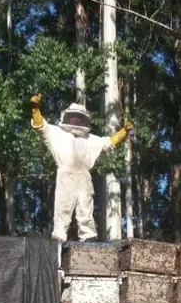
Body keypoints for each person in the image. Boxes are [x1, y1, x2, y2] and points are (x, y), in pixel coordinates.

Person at [29, 94, 133, 242]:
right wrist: (35, 108)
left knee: (86, 209)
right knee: (63, 208)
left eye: (79, 118)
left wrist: (123, 132)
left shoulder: (91, 139)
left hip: (84, 177)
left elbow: (108, 143)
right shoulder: (57, 133)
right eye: (74, 117)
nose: (76, 120)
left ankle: (89, 239)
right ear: (67, 117)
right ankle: (58, 239)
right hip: (66, 175)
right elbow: (41, 126)